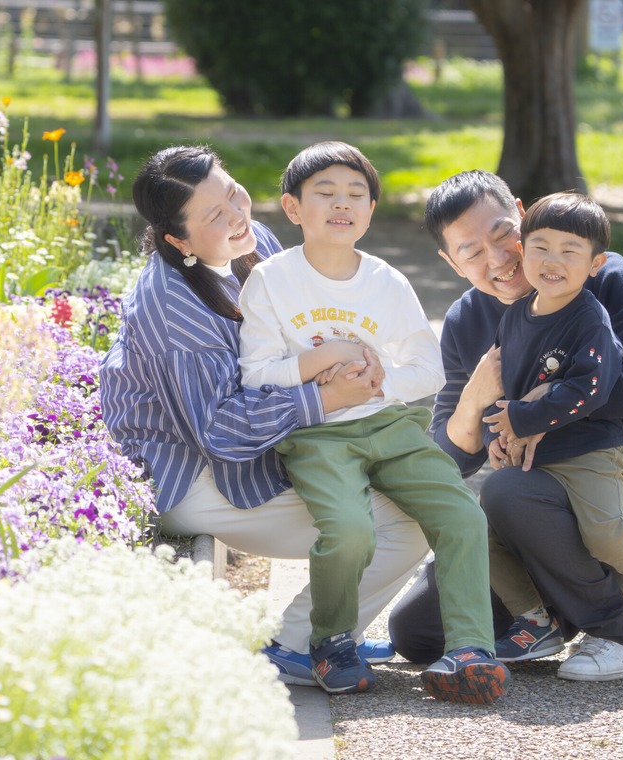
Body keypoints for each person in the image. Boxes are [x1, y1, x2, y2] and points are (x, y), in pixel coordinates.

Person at [97, 146, 431, 690]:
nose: (237, 215)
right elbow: (220, 431)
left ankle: (333, 629)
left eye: (232, 192)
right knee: (400, 524)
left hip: (272, 439)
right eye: (214, 215)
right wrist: (327, 398)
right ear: (178, 241)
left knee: (412, 493)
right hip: (194, 475)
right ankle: (296, 643)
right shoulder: (174, 307)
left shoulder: (258, 249)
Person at [387, 170, 623, 683]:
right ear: (451, 262)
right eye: (471, 251)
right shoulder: (467, 321)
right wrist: (476, 400)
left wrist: (546, 407)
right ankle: (552, 614)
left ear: (524, 215)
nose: (498, 259)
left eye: (502, 233)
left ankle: (618, 629)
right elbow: (448, 456)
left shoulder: (600, 277)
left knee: (507, 489)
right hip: (537, 520)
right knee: (415, 632)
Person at [238, 141, 508, 704]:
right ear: (293, 209)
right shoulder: (270, 280)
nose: (343, 204)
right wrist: (325, 360)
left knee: (461, 513)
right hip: (318, 433)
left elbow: (428, 367)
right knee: (351, 530)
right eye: (326, 194)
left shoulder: (386, 282)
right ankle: (331, 641)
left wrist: (380, 381)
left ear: (370, 210)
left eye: (356, 195)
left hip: (390, 425)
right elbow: (257, 374)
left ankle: (469, 650)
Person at [477, 191, 623, 668]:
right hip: (543, 470)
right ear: (526, 247)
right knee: (478, 526)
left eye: (569, 251)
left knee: (602, 531)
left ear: (595, 263)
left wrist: (532, 413)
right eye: (541, 247)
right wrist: (501, 431)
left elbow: (592, 387)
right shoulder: (513, 316)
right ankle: (536, 622)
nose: (552, 260)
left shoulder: (591, 311)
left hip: (594, 456)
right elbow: (510, 391)